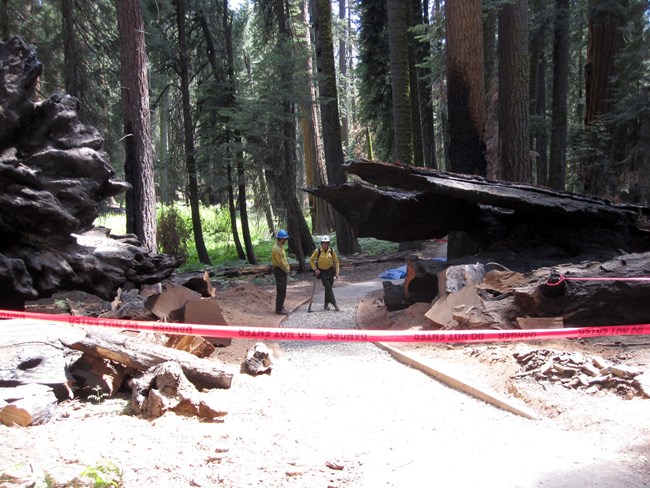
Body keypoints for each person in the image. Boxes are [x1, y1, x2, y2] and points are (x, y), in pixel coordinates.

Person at [309, 235, 340, 311]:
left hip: (330, 271)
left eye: (327, 243)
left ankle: (326, 305)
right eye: (324, 243)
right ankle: (335, 304)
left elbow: (336, 262)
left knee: (328, 288)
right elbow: (311, 260)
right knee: (328, 287)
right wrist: (315, 269)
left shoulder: (332, 251)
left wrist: (337, 272)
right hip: (322, 272)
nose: (325, 244)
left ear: (329, 243)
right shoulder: (318, 251)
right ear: (321, 243)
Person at [271, 229, 291, 315]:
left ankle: (280, 307)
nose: (286, 241)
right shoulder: (277, 249)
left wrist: (287, 267)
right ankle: (279, 309)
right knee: (281, 290)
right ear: (282, 239)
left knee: (283, 290)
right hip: (279, 270)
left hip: (281, 270)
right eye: (285, 239)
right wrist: (287, 270)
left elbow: (284, 260)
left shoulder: (280, 247)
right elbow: (280, 263)